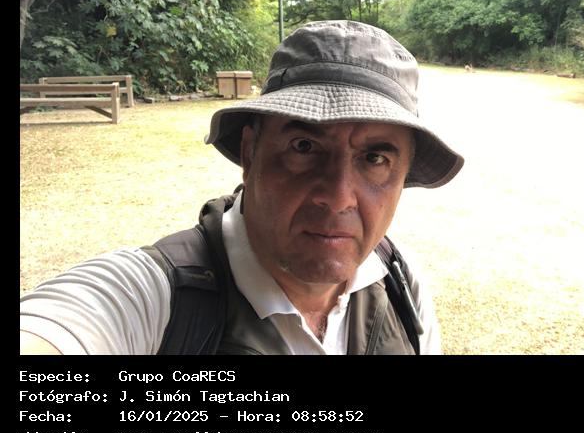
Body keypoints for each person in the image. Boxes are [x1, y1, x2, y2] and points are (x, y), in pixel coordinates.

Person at [19, 20, 464, 355]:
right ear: (251, 154)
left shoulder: (399, 284)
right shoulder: (153, 298)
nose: (338, 196)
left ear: (402, 176)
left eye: (375, 159)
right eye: (304, 146)